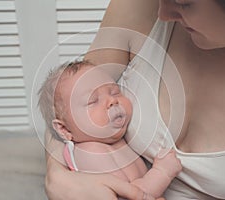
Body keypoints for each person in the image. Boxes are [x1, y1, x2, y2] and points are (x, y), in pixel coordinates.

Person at [45, 0, 225, 199]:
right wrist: (57, 176)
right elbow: (65, 102)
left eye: (183, 3)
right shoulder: (136, 7)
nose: (163, 14)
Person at [38, 60, 182, 199]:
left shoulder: (113, 140)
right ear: (64, 129)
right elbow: (130, 194)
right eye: (93, 101)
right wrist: (162, 172)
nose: (112, 101)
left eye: (114, 92)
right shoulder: (90, 153)